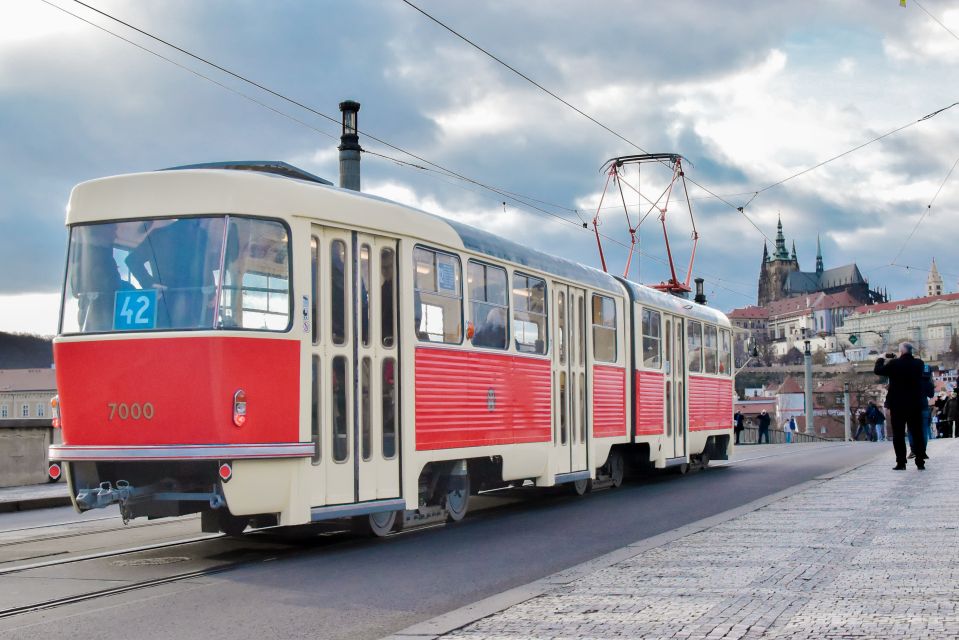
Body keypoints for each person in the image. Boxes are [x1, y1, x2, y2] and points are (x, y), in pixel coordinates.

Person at [874, 342, 929, 470]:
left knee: (898, 435)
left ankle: (901, 462)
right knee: (917, 433)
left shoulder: (894, 364)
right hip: (915, 404)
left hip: (897, 405)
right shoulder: (919, 364)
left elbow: (878, 370)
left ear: (901, 351)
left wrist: (882, 357)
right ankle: (920, 461)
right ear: (911, 351)